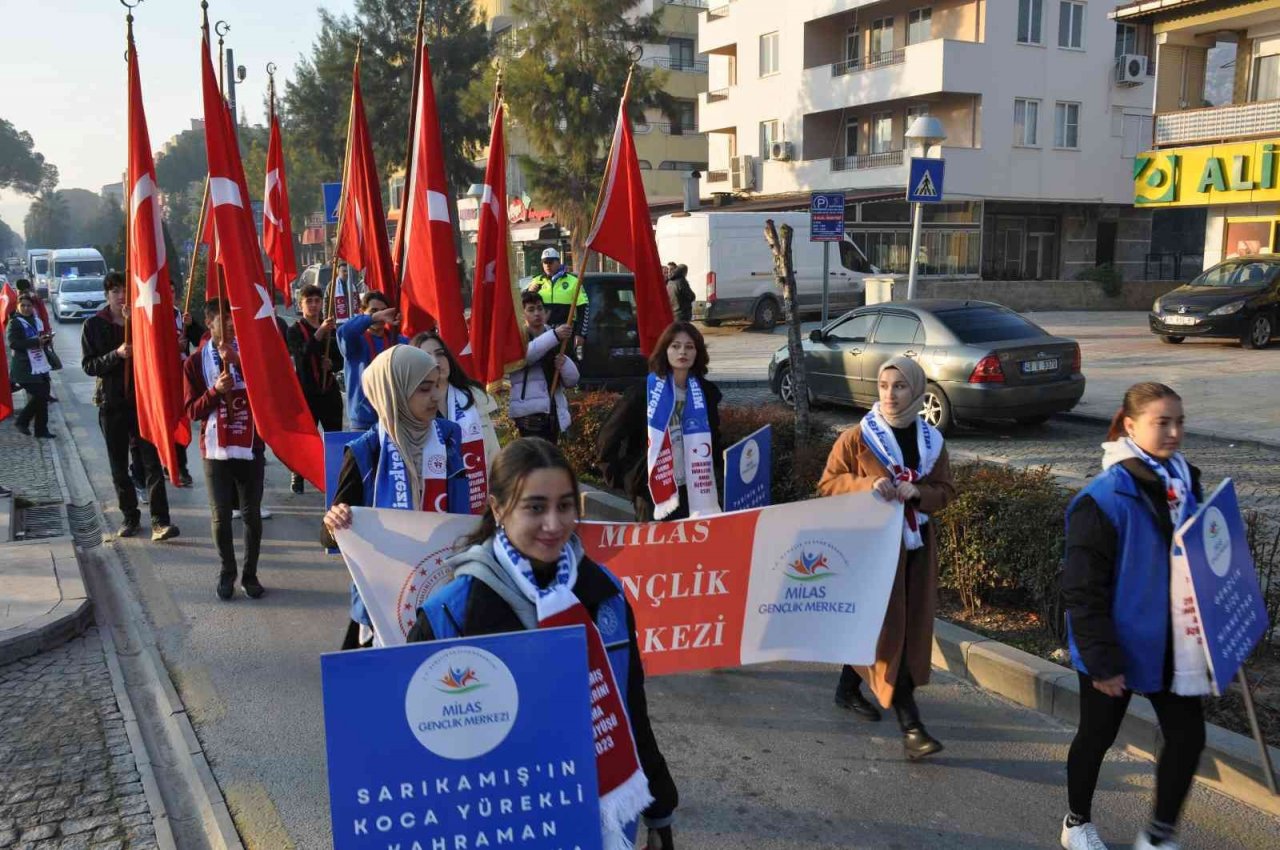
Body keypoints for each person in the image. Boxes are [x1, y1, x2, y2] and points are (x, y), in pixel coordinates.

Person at [407, 438, 679, 850]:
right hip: (494, 825)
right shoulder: (449, 616)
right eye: (535, 507)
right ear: (498, 509)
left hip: (598, 821)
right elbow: (419, 758)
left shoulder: (604, 594)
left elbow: (630, 709)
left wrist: (660, 811)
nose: (553, 524)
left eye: (565, 505)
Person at [1059, 382, 1207, 850]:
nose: (1174, 432)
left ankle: (1158, 835)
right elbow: (1082, 591)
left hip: (1173, 643)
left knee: (1188, 738)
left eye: (1179, 421)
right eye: (1162, 422)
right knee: (1096, 737)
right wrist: (1102, 661)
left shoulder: (1187, 482)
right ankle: (1076, 822)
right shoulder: (1101, 500)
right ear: (1129, 425)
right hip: (1115, 644)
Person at [816, 355, 955, 760]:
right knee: (890, 627)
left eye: (900, 387)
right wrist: (866, 485)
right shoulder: (858, 437)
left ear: (916, 390)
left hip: (915, 548)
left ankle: (847, 687)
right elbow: (828, 484)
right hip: (871, 549)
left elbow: (945, 490)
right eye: (883, 386)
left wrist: (920, 494)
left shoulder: (932, 442)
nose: (890, 395)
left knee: (901, 626)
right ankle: (912, 727)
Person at [322, 345, 469, 648]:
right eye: (423, 389)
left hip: (444, 599)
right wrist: (333, 523)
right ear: (395, 392)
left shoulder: (451, 439)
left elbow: (466, 517)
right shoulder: (366, 452)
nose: (435, 397)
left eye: (437, 386)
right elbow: (329, 538)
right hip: (382, 606)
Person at [81, 273, 179, 542]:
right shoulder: (93, 325)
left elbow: (158, 351)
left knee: (151, 463)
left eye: (125, 290)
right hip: (111, 404)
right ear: (107, 295)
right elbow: (89, 365)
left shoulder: (141, 321)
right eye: (115, 291)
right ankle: (130, 517)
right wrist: (117, 354)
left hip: (142, 402)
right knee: (119, 466)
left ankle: (161, 520)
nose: (121, 295)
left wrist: (133, 323)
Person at [598, 321, 723, 522]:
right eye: (675, 346)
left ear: (697, 353)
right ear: (664, 350)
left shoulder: (706, 393)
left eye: (689, 347)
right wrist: (624, 479)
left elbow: (714, 440)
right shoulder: (643, 393)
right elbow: (608, 436)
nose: (682, 352)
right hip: (652, 493)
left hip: (694, 490)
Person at [184, 299, 266, 600]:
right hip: (216, 449)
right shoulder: (194, 362)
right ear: (210, 322)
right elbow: (192, 411)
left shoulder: (252, 355)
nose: (231, 323)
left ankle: (250, 573)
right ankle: (227, 571)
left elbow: (270, 390)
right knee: (220, 516)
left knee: (251, 515)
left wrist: (241, 361)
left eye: (234, 318)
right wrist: (215, 392)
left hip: (250, 446)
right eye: (224, 318)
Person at [411, 330, 499, 513]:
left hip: (478, 499)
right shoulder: (410, 407)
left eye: (440, 353)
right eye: (427, 356)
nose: (436, 361)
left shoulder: (474, 397)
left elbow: (493, 454)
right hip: (430, 503)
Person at [287, 283, 344, 493]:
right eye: (308, 301)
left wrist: (333, 364)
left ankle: (335, 475)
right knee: (306, 436)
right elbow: (301, 356)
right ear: (301, 305)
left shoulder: (332, 330)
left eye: (317, 301)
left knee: (334, 435)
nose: (313, 305)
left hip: (328, 390)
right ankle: (298, 474)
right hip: (306, 391)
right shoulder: (294, 330)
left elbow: (340, 359)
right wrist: (319, 333)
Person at [509, 291, 577, 443]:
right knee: (534, 459)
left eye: (540, 308)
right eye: (531, 310)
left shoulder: (557, 336)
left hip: (554, 410)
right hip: (529, 414)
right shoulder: (517, 338)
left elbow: (573, 381)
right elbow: (526, 357)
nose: (537, 313)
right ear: (522, 313)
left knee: (551, 457)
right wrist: (554, 337)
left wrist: (564, 363)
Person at [337, 291, 408, 431]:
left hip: (393, 420)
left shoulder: (399, 341)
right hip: (363, 422)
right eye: (374, 311)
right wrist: (373, 318)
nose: (381, 315)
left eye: (383, 311)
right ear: (362, 312)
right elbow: (345, 331)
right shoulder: (356, 341)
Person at [8, 292, 57, 439]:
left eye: (29, 305)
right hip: (24, 367)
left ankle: (41, 430)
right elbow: (13, 343)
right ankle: (22, 421)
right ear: (17, 306)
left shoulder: (36, 320)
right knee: (41, 395)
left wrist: (46, 340)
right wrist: (36, 342)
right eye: (22, 305)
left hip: (40, 364)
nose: (26, 308)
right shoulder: (15, 322)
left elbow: (39, 338)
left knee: (43, 397)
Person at [527, 247, 588, 353]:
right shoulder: (536, 281)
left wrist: (581, 334)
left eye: (550, 262)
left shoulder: (573, 281)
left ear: (558, 262)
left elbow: (584, 308)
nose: (547, 265)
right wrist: (528, 291)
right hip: (542, 333)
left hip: (565, 334)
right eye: (544, 262)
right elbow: (523, 306)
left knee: (564, 364)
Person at [327, 261, 357, 326]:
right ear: (338, 272)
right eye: (343, 271)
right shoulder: (332, 285)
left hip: (352, 318)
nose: (346, 273)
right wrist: (327, 319)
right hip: (339, 321)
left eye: (347, 271)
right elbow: (326, 302)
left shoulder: (352, 284)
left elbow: (357, 300)